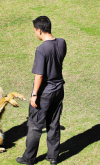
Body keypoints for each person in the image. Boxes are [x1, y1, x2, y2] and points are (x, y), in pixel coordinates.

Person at [16, 16, 67, 165]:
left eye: (34, 31)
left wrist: (34, 95)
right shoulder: (62, 42)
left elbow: (39, 76)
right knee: (54, 123)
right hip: (59, 89)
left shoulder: (41, 49)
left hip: (45, 93)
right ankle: (53, 157)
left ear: (39, 30)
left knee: (35, 126)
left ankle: (29, 158)